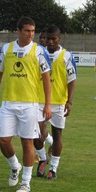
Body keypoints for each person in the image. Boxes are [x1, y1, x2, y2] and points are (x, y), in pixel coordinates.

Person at [0, 16, 52, 192]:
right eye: (27, 31)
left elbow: (46, 79)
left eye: (33, 31)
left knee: (28, 143)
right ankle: (14, 166)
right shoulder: (6, 49)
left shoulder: (39, 51)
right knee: (3, 141)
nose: (30, 34)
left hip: (30, 104)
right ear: (18, 31)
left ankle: (26, 182)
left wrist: (47, 105)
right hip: (8, 103)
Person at [34, 25, 77, 179]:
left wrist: (69, 102)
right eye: (48, 38)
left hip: (59, 101)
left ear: (59, 38)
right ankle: (43, 158)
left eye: (54, 39)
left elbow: (72, 81)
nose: (50, 42)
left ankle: (53, 168)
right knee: (35, 133)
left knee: (57, 134)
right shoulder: (39, 53)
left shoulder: (66, 56)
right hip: (38, 100)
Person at [34, 28, 53, 173]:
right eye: (41, 38)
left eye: (45, 39)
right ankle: (42, 157)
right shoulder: (35, 52)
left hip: (43, 99)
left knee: (39, 130)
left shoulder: (44, 54)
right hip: (33, 98)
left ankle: (43, 155)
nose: (42, 41)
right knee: (36, 132)